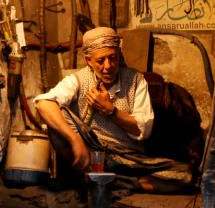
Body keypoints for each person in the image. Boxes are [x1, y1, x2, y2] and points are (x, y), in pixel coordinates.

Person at [35, 27, 153, 170]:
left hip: (128, 156)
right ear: (89, 61)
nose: (108, 66)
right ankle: (94, 174)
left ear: (119, 54)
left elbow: (144, 130)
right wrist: (75, 140)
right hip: (91, 154)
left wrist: (111, 111)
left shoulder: (136, 80)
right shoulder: (78, 80)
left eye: (112, 58)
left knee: (182, 175)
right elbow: (43, 104)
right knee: (58, 112)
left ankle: (116, 180)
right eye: (101, 60)